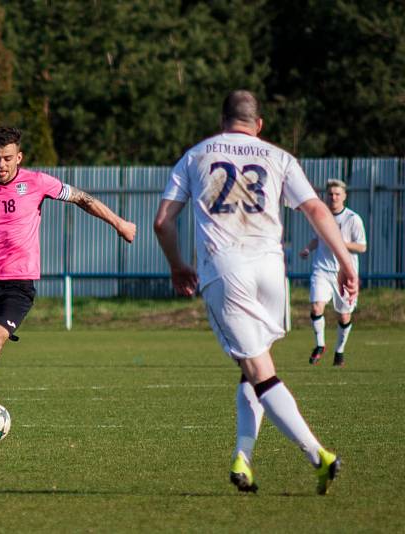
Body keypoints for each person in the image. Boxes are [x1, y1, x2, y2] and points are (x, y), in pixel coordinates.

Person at [153, 90, 359, 495]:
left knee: (259, 371)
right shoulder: (279, 157)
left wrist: (178, 265)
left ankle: (319, 455)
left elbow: (163, 221)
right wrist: (346, 264)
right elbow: (317, 209)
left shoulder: (196, 155)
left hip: (226, 271)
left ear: (222, 120)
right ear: (258, 124)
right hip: (271, 271)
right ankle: (242, 458)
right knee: (254, 366)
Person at [0, 126, 136, 440]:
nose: (1, 164)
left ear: (19, 157)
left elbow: (82, 199)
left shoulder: (38, 183)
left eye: (8, 158)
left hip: (17, 285)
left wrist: (119, 223)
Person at [299, 179, 366, 367]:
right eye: (331, 194)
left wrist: (338, 242)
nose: (334, 197)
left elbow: (362, 247)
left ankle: (339, 351)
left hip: (343, 274)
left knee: (344, 316)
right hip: (321, 269)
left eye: (337, 194)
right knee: (316, 307)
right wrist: (307, 249)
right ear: (326, 196)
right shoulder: (321, 216)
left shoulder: (353, 219)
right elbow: (316, 239)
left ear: (344, 196)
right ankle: (320, 345)